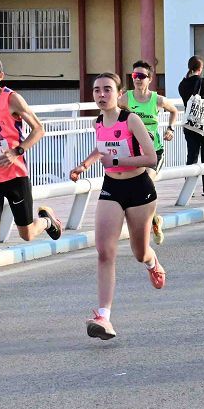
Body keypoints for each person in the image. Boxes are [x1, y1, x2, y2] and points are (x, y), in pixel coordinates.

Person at [69, 73, 163, 340]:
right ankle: (104, 316)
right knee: (104, 251)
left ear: (119, 94)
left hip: (140, 189)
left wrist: (120, 159)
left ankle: (151, 261)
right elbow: (101, 150)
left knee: (139, 251)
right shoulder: (98, 122)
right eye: (97, 90)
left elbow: (151, 158)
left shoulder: (130, 119)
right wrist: (84, 165)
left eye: (107, 90)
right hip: (112, 188)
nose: (101, 95)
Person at [0, 54, 62, 319]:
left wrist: (16, 151)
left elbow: (39, 129)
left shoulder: (11, 99)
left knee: (26, 234)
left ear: (0, 75)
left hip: (15, 177)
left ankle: (46, 220)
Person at [119, 60, 177, 245]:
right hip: (134, 152)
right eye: (134, 75)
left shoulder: (157, 99)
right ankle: (155, 219)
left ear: (149, 79)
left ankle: (152, 219)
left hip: (154, 152)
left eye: (141, 76)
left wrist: (170, 129)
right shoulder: (125, 99)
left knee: (145, 182)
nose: (137, 79)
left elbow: (174, 111)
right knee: (137, 187)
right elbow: (113, 114)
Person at [178, 56, 204, 197]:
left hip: (189, 123)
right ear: (201, 69)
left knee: (192, 155)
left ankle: (189, 189)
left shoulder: (182, 84)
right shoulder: (203, 82)